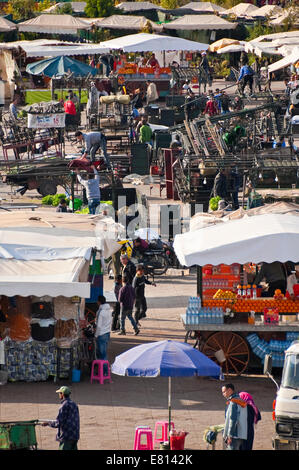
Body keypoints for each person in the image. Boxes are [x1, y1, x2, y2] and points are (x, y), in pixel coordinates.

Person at [42, 386, 80, 450]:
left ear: (62, 394)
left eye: (59, 393)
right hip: (75, 435)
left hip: (66, 437)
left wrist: (48, 423)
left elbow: (59, 423)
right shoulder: (74, 404)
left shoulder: (63, 406)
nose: (59, 395)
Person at [222, 383, 248, 450]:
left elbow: (233, 419)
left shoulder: (233, 402)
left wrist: (230, 435)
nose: (223, 394)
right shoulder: (240, 400)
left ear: (230, 390)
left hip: (234, 435)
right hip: (240, 433)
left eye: (224, 392)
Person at [95, 295, 112, 363]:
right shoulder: (109, 310)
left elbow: (99, 326)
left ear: (99, 302)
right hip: (107, 333)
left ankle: (104, 371)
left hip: (101, 334)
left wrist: (96, 335)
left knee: (102, 354)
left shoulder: (101, 312)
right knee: (103, 353)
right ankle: (103, 371)